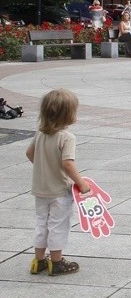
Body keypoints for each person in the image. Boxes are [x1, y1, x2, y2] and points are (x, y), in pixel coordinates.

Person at [25, 89, 91, 276]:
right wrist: (82, 184)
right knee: (58, 225)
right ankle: (56, 261)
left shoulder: (40, 133)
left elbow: (29, 154)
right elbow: (68, 164)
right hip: (59, 191)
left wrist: (43, 169)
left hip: (40, 189)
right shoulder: (67, 137)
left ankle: (38, 261)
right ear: (69, 114)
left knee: (41, 223)